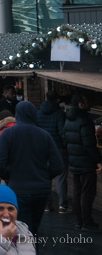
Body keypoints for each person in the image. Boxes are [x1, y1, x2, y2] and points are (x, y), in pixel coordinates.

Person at [0, 101, 64, 235]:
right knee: (34, 229)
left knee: (23, 231)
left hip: (18, 189)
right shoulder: (44, 135)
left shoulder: (7, 134)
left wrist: (9, 177)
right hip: (41, 190)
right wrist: (44, 176)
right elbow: (58, 165)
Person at [62, 93, 102, 231]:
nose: (88, 103)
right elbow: (89, 144)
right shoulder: (85, 121)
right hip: (86, 162)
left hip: (74, 161)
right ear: (80, 104)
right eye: (86, 101)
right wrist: (98, 161)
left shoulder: (68, 120)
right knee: (87, 193)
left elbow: (65, 140)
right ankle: (87, 222)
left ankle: (79, 221)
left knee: (78, 192)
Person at [37, 90, 70, 214]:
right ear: (57, 100)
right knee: (61, 177)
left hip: (43, 149)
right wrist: (65, 146)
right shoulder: (60, 114)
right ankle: (63, 205)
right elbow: (63, 133)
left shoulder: (38, 113)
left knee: (46, 177)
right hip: (58, 148)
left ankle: (47, 204)